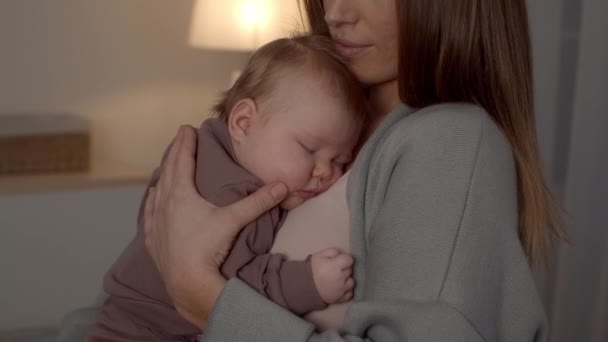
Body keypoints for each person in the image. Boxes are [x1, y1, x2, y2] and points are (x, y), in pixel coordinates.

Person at [60, 0, 567, 341]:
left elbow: (184, 280)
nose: (336, 12)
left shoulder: (451, 140)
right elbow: (128, 289)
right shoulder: (316, 109)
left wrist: (203, 295)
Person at [85, 35, 369, 341]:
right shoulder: (227, 195)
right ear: (244, 122)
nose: (326, 171)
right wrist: (307, 282)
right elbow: (233, 292)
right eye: (309, 148)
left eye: (340, 160)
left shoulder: (205, 151)